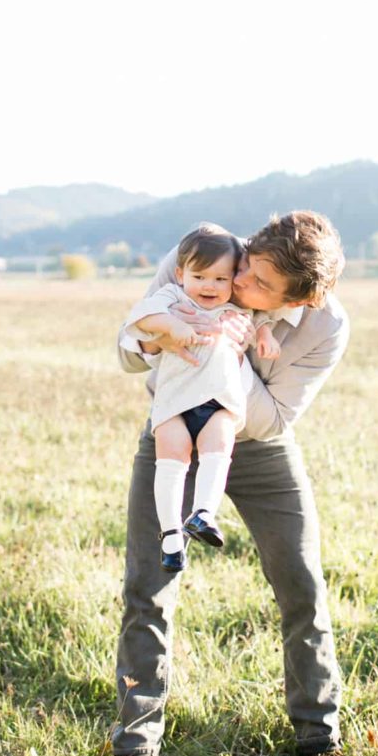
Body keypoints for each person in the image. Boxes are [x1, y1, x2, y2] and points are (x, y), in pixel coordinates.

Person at [83, 210, 349, 756]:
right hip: (171, 433)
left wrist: (223, 356)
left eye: (258, 285)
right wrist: (162, 339)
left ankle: (318, 739)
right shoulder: (205, 254)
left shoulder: (327, 325)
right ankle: (135, 754)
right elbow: (129, 351)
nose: (240, 285)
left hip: (256, 445)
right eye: (245, 268)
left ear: (302, 298)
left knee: (301, 583)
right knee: (147, 587)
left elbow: (276, 415)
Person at [122, 224, 281, 572]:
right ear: (181, 275)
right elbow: (140, 316)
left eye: (221, 279)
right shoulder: (173, 298)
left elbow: (261, 320)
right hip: (176, 402)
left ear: (233, 281)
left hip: (219, 402)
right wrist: (170, 327)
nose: (210, 286)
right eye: (200, 276)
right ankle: (171, 536)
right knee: (173, 456)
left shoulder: (237, 308)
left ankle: (204, 514)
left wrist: (266, 336)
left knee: (220, 443)